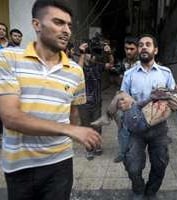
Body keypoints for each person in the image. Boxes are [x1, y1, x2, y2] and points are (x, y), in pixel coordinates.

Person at [0, 1, 102, 199]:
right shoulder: (8, 58)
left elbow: (73, 112)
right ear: (37, 24)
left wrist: (76, 128)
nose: (66, 30)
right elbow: (10, 117)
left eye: (69, 25)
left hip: (60, 163)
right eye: (58, 22)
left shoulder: (75, 71)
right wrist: (70, 130)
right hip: (20, 165)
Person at [118, 34, 177, 200]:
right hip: (136, 128)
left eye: (148, 44)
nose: (143, 47)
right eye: (141, 45)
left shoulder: (166, 74)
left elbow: (174, 98)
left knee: (160, 164)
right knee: (132, 166)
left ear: (156, 50)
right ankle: (138, 190)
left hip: (159, 129)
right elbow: (122, 97)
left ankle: (151, 192)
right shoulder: (129, 74)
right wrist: (123, 103)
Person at [91, 84, 177, 148]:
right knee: (120, 95)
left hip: (140, 120)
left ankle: (109, 118)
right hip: (140, 118)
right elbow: (148, 100)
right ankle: (117, 121)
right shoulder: (172, 95)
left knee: (120, 95)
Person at [113, 35, 139, 163]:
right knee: (122, 129)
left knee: (137, 131)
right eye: (126, 48)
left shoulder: (142, 64)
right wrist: (120, 75)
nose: (128, 51)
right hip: (122, 101)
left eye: (131, 49)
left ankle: (134, 153)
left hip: (136, 103)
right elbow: (117, 82)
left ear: (138, 49)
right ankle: (123, 153)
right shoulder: (122, 63)